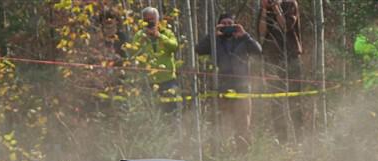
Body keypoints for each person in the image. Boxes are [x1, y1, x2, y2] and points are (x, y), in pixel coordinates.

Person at [196, 13, 262, 151]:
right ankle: (223, 150)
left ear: (234, 25)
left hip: (242, 85)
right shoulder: (215, 41)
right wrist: (213, 35)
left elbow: (258, 50)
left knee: (243, 120)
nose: (227, 27)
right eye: (223, 24)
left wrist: (245, 35)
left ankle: (244, 150)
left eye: (229, 24)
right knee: (223, 120)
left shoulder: (242, 39)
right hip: (223, 86)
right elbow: (199, 49)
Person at [257, 0, 303, 142]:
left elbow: (285, 27)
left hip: (291, 58)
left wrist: (276, 7)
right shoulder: (265, 7)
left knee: (294, 100)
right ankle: (282, 140)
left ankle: (300, 139)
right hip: (272, 60)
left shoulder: (290, 4)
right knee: (276, 102)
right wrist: (265, 10)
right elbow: (261, 33)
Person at [128, 7, 180, 110]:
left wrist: (159, 36)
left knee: (171, 111)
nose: (150, 22)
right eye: (146, 20)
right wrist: (142, 40)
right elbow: (132, 53)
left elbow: (174, 47)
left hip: (168, 79)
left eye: (152, 19)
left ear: (157, 19)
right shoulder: (139, 35)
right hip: (148, 80)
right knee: (151, 110)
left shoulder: (166, 32)